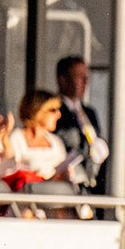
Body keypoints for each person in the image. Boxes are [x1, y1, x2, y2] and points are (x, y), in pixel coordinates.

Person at [4, 90, 81, 216]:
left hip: (54, 202)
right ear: (38, 111)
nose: (59, 115)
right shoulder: (17, 138)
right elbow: (11, 171)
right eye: (53, 110)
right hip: (26, 203)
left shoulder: (56, 142)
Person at [53, 55, 108, 192]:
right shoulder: (55, 111)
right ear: (63, 80)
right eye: (79, 77)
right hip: (72, 178)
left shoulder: (89, 112)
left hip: (96, 176)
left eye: (86, 78)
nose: (85, 82)